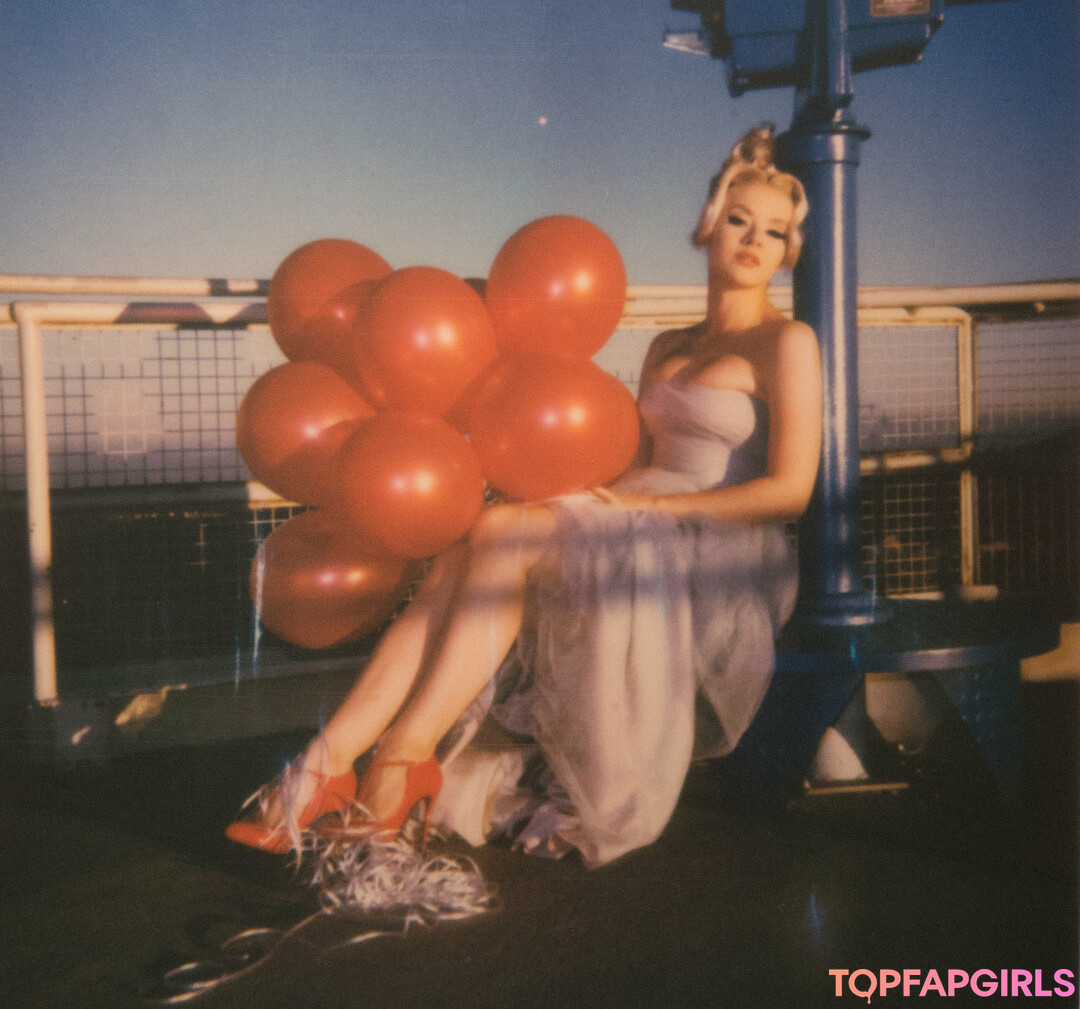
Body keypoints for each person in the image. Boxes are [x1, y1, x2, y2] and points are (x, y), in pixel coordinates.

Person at [227, 124, 822, 868]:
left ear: (788, 248)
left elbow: (791, 493)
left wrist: (657, 510)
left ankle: (398, 760)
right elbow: (636, 459)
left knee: (504, 533)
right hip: (640, 515)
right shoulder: (668, 345)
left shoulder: (788, 342)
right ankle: (330, 761)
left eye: (774, 231)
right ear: (709, 226)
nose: (754, 241)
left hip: (722, 547)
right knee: (467, 545)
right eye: (739, 220)